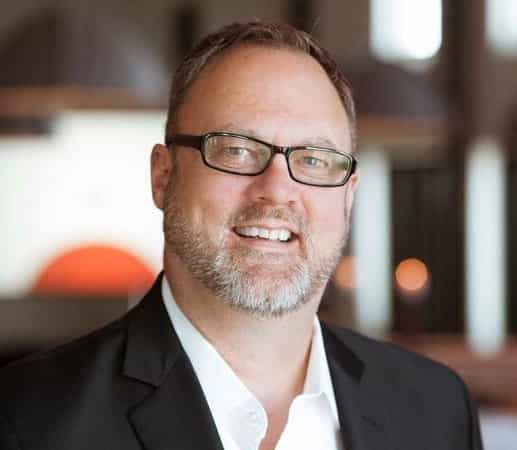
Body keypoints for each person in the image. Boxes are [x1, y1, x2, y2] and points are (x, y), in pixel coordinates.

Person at [0, 21, 483, 450]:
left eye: (314, 159)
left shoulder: (437, 410)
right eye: (235, 149)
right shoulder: (29, 420)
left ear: (348, 197)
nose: (277, 189)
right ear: (163, 177)